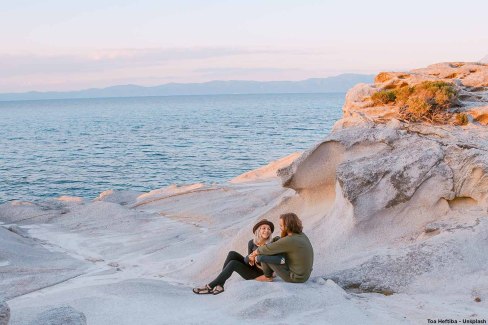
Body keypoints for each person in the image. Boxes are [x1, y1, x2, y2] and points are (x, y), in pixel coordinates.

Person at [192, 219, 280, 295]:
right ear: (258, 230)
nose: (267, 230)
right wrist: (250, 257)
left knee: (233, 264)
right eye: (263, 228)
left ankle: (210, 286)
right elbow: (247, 262)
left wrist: (255, 256)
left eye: (269, 229)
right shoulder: (251, 243)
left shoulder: (271, 245)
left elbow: (272, 265)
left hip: (261, 273)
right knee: (232, 254)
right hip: (253, 268)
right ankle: (220, 285)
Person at [250, 213, 313, 283]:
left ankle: (268, 277)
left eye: (281, 226)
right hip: (304, 275)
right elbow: (279, 243)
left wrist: (254, 253)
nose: (280, 228)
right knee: (274, 244)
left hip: (295, 277)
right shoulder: (301, 235)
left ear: (288, 226)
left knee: (262, 255)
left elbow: (267, 249)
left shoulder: (290, 240)